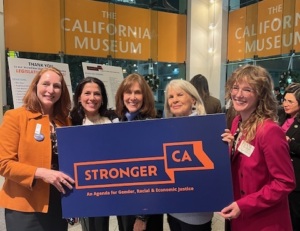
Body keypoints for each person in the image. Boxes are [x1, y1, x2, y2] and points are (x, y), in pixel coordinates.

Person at [220, 64, 295, 231]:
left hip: (264, 221)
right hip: (240, 217)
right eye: (235, 87)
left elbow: (285, 182)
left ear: (261, 94)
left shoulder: (269, 131)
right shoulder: (237, 123)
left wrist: (244, 205)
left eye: (247, 89)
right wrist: (228, 149)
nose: (238, 95)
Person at [0, 67, 75, 231]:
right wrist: (41, 173)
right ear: (35, 86)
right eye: (46, 84)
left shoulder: (65, 121)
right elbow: (4, 163)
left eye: (57, 86)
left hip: (58, 203)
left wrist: (74, 202)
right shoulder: (15, 117)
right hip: (25, 205)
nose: (51, 90)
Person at [115, 73, 163, 231]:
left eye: (137, 92)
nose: (132, 97)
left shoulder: (152, 126)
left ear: (145, 96)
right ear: (122, 96)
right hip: (124, 203)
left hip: (147, 207)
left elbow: (155, 175)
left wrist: (142, 216)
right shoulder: (118, 123)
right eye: (128, 92)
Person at [164, 79, 212, 231]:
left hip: (197, 212)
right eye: (170, 97)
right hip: (173, 208)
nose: (175, 100)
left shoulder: (207, 127)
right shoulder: (166, 129)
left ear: (193, 99)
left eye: (180, 95)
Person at [70, 77, 112, 231]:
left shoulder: (112, 120)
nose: (92, 98)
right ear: (79, 98)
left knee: (102, 225)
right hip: (83, 186)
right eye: (87, 93)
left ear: (102, 98)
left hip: (108, 185)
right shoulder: (71, 122)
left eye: (97, 94)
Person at [278, 83, 300, 231]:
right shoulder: (281, 117)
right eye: (285, 100)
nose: (285, 104)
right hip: (279, 174)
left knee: (295, 218)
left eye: (290, 101)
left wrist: (289, 143)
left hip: (296, 177)